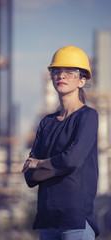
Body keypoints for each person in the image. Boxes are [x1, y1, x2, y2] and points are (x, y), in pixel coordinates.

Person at [22, 46, 99, 240]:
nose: (61, 76)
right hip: (47, 221)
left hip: (75, 221)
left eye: (69, 72)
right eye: (56, 71)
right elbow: (30, 176)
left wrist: (40, 163)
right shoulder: (46, 122)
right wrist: (61, 166)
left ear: (82, 80)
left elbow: (72, 160)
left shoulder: (88, 117)